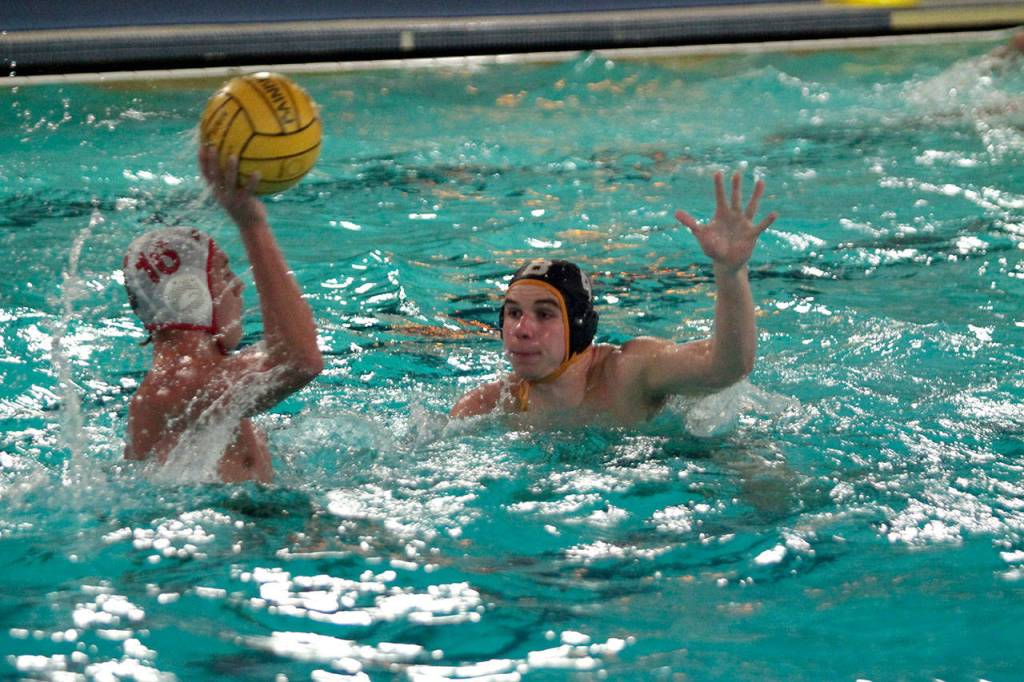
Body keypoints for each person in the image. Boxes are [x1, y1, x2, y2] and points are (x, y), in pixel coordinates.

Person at [450, 170, 777, 426]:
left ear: (580, 328)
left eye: (545, 314)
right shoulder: (488, 407)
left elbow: (727, 366)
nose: (522, 329)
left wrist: (730, 272)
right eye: (513, 313)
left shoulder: (629, 373)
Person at [121, 148, 323, 482]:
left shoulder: (192, 383)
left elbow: (288, 351)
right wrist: (252, 223)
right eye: (226, 274)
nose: (239, 287)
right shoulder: (175, 388)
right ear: (190, 294)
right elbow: (301, 360)